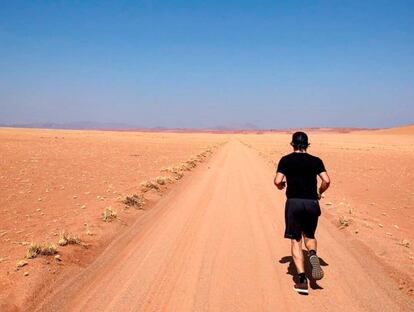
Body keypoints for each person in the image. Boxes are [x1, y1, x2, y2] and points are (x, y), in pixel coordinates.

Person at [274, 131, 331, 294]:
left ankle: (301, 280)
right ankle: (312, 253)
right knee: (310, 235)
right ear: (307, 145)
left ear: (292, 144)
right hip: (312, 203)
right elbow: (326, 180)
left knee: (296, 240)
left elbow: (277, 181)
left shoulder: (285, 160)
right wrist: (320, 191)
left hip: (294, 203)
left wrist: (281, 185)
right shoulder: (316, 161)